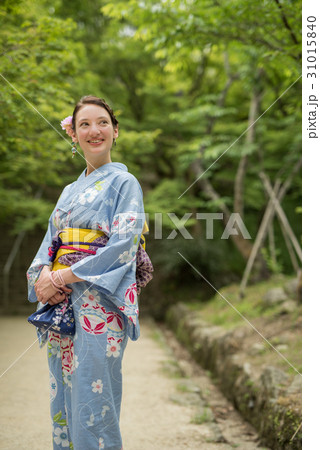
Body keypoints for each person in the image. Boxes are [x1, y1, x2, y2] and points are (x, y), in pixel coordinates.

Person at [27, 95, 149, 450]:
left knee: (95, 396)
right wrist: (42, 278)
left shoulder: (126, 184)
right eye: (84, 124)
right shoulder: (68, 191)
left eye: (102, 123)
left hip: (99, 304)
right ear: (74, 135)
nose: (94, 130)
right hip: (61, 306)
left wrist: (62, 277)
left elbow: (124, 245)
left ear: (114, 132)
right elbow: (50, 242)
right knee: (62, 393)